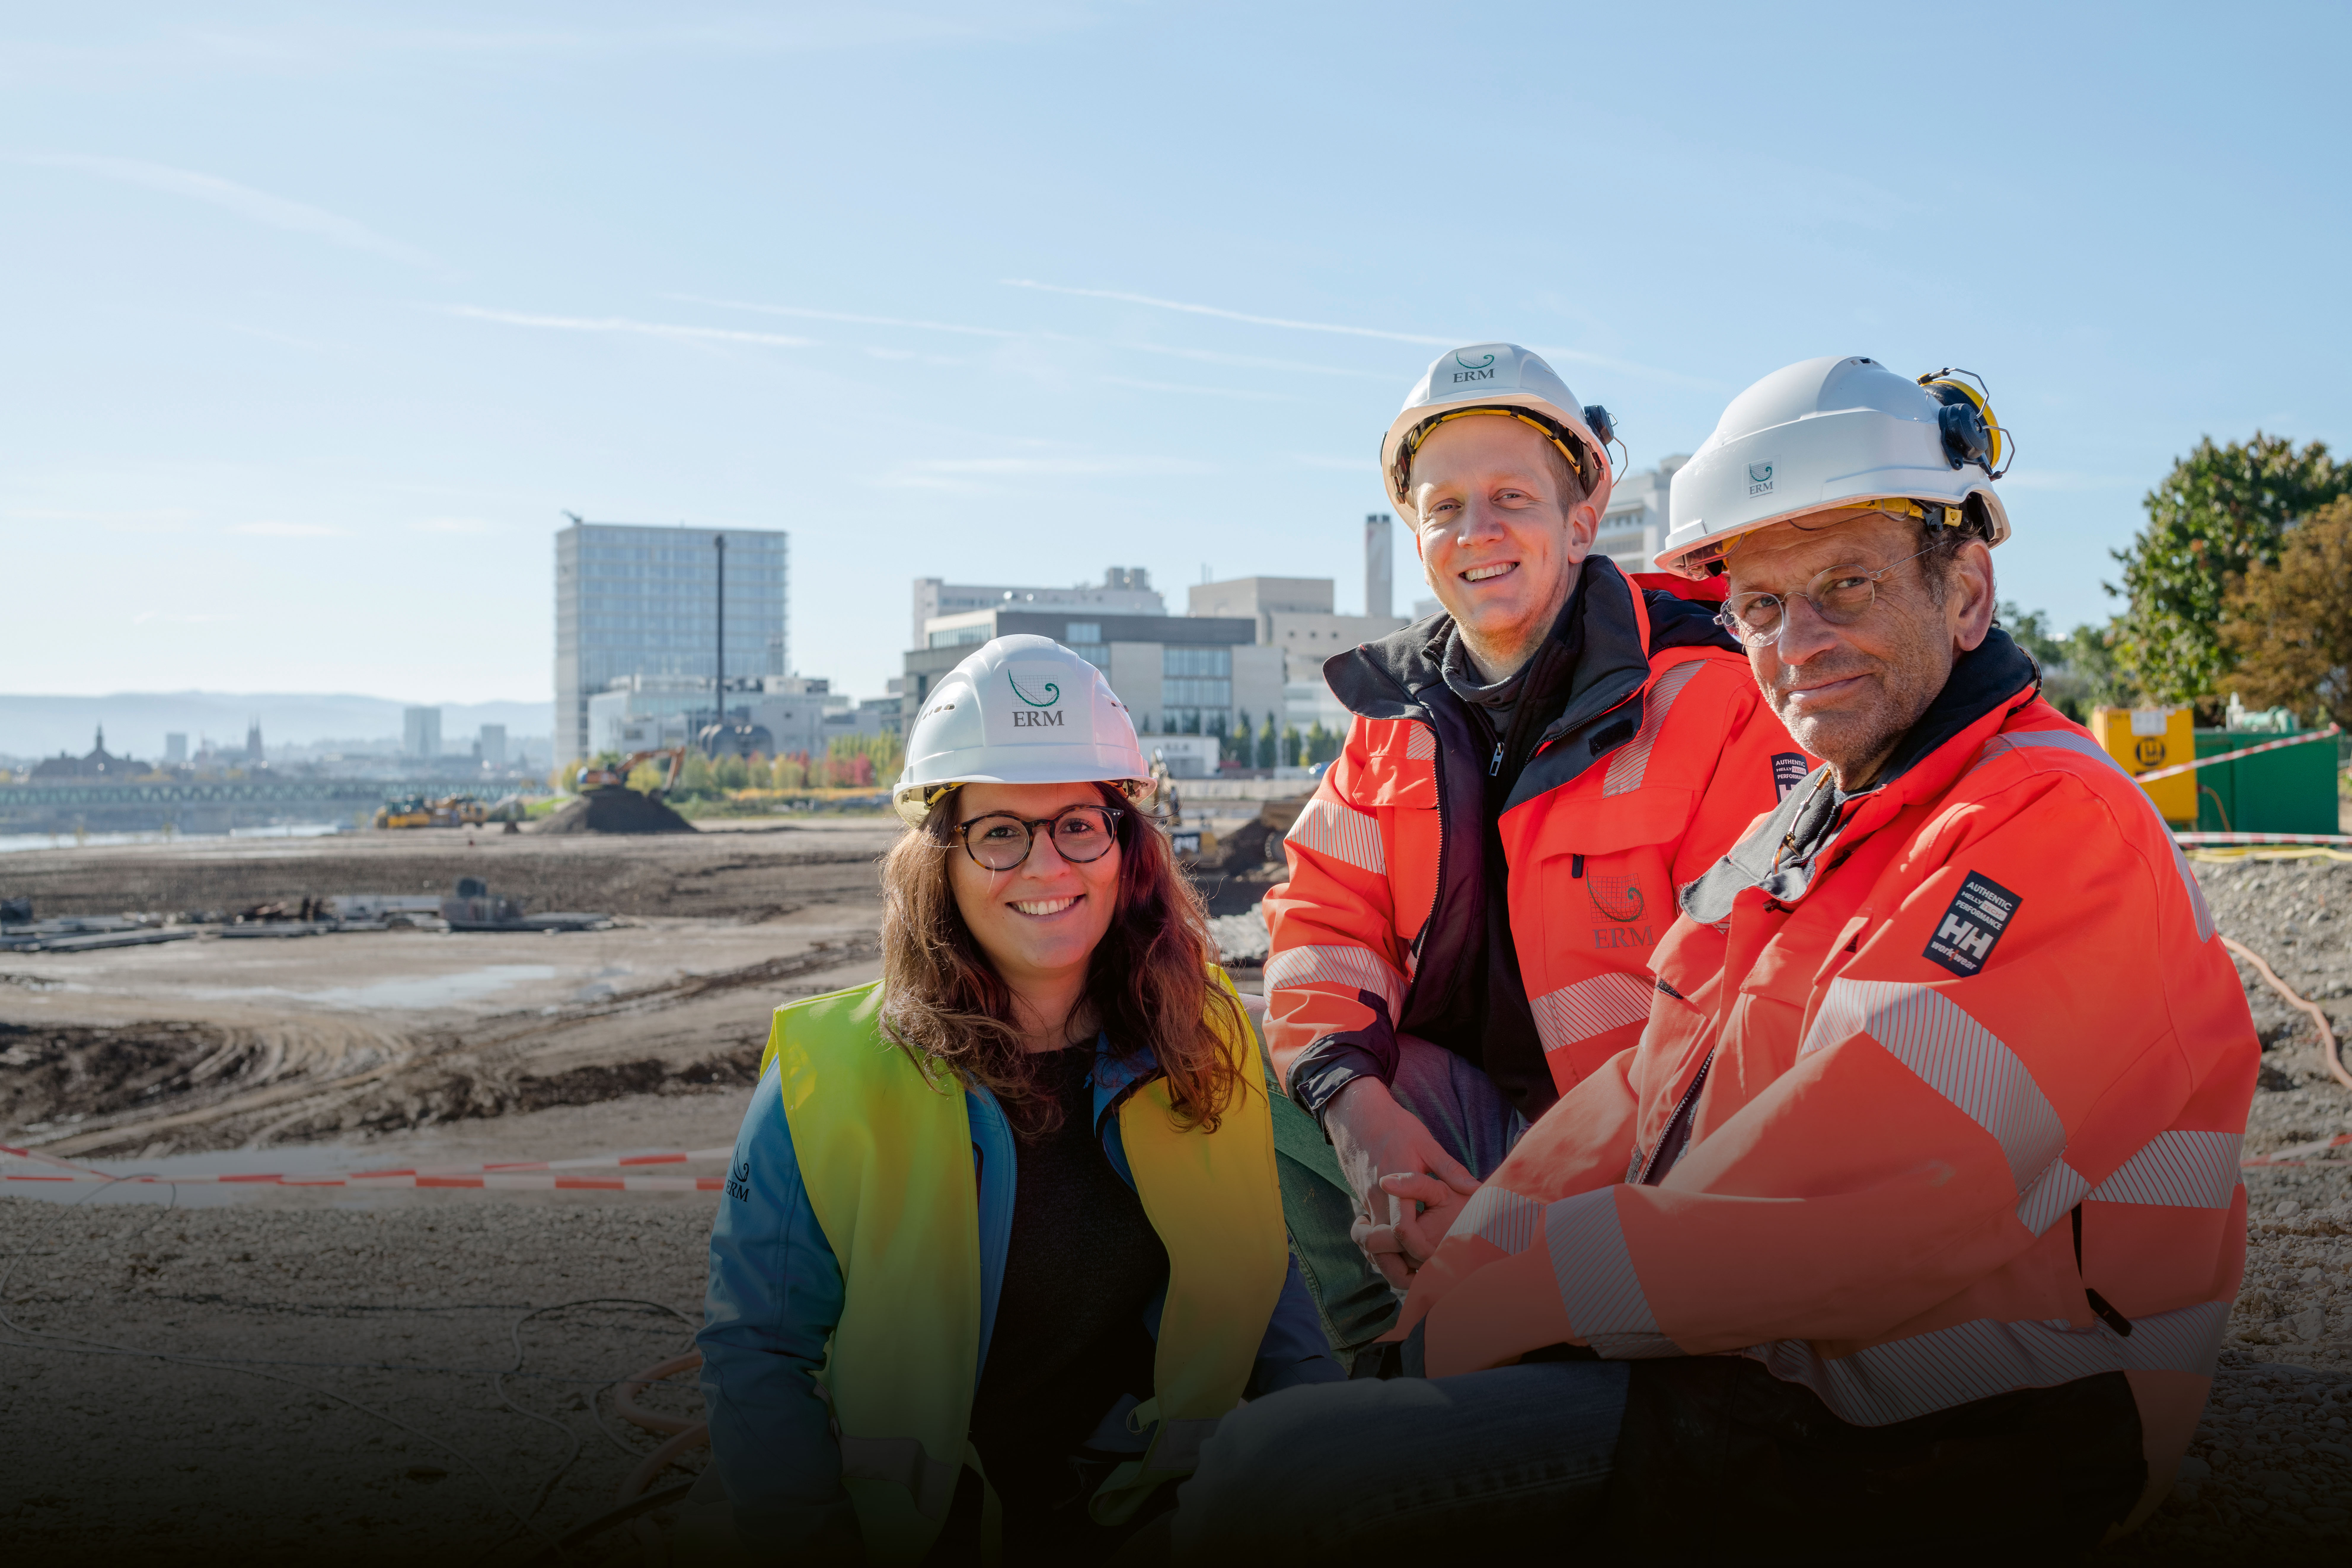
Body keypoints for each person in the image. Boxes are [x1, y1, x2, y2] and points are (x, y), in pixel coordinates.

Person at [1161, 356, 2258, 1562]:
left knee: (1282, 1483)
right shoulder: (1822, 824)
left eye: (1846, 585)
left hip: (1992, 1417)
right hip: (1772, 1366)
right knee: (1324, 1434)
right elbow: (1652, 1098)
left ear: (1967, 591)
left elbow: (1857, 1209)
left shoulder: (2049, 826)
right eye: (1763, 607)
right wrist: (1462, 1282)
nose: (1799, 644)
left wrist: (1506, 1304)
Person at [696, 636, 1340, 1565]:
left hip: (1146, 1518)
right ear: (943, 860)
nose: (1046, 866)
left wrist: (1333, 1468)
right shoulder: (825, 1076)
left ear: (1128, 849)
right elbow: (757, 1355)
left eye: (1080, 823)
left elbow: (1267, 1301)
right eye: (1001, 830)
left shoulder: (1207, 1039)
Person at [1260, 342, 1807, 1354]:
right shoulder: (1395, 715)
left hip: (1653, 1164)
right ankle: (1390, 1361)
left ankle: (1487, 1365)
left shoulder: (1713, 694)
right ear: (1415, 532)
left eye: (1513, 495)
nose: (1478, 532)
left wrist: (1522, 1221)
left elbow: (1750, 1020)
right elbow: (1321, 927)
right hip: (1471, 1133)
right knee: (1271, 1070)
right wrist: (1366, 1126)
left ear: (1583, 518)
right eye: (1444, 506)